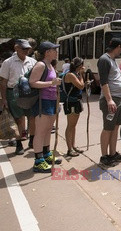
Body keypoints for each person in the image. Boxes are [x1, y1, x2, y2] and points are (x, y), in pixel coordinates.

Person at [29, 41, 62, 173]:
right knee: (41, 131)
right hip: (42, 102)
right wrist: (51, 83)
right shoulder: (41, 65)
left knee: (48, 129)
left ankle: (46, 153)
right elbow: (32, 82)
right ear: (47, 52)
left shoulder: (50, 65)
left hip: (51, 101)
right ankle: (38, 161)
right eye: (54, 49)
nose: (57, 52)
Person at [0, 39, 37, 155]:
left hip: (30, 92)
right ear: (16, 48)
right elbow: (3, 82)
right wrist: (4, 99)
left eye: (28, 49)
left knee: (32, 117)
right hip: (13, 93)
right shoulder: (8, 62)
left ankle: (32, 140)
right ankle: (19, 142)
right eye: (24, 49)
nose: (26, 51)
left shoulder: (32, 61)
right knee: (19, 118)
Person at [97, 38, 121, 167]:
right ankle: (104, 156)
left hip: (118, 98)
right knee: (108, 128)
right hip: (111, 100)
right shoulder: (104, 60)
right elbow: (103, 82)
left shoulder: (113, 60)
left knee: (115, 127)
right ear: (118, 47)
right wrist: (109, 100)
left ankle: (113, 153)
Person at [63, 57, 85, 157]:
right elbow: (81, 86)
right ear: (79, 66)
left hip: (76, 101)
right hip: (71, 102)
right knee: (70, 125)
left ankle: (73, 145)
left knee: (73, 126)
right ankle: (69, 149)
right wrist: (81, 74)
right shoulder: (71, 75)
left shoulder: (75, 74)